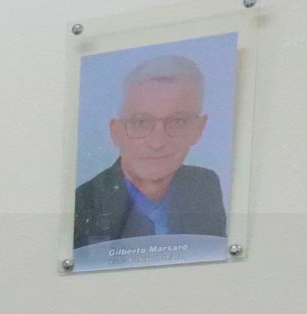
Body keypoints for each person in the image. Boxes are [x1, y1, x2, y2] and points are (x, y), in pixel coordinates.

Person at [75, 53, 226, 247]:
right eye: (141, 122)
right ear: (116, 131)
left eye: (178, 121)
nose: (157, 142)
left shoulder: (204, 185)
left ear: (198, 129)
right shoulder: (85, 203)